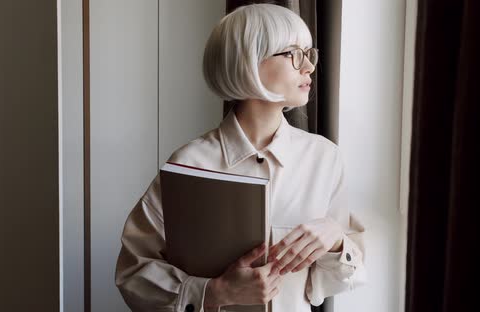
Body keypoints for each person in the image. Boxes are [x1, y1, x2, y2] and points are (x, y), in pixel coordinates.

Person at [115, 3, 366, 312]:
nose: (309, 67)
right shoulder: (190, 163)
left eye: (309, 54)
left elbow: (339, 281)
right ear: (249, 60)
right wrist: (214, 292)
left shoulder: (324, 158)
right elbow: (133, 273)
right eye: (294, 54)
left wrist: (337, 240)